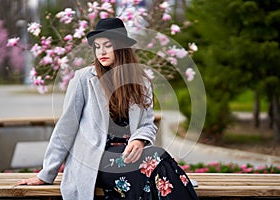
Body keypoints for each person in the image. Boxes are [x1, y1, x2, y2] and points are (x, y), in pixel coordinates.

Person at [18, 18, 198, 200]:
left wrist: (139, 140)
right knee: (157, 159)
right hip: (96, 160)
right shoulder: (83, 79)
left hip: (130, 155)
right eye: (97, 47)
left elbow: (147, 124)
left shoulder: (140, 81)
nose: (101, 52)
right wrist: (46, 173)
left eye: (107, 45)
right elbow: (65, 128)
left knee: (158, 163)